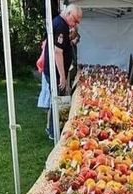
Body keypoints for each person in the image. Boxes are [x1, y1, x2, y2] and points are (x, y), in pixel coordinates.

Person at [43, 4, 83, 139]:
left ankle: (51, 129)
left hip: (54, 70)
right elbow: (58, 52)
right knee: (57, 100)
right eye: (76, 20)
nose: (76, 23)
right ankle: (54, 133)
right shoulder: (61, 25)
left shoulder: (61, 24)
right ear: (69, 13)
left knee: (55, 100)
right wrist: (62, 76)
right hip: (55, 71)